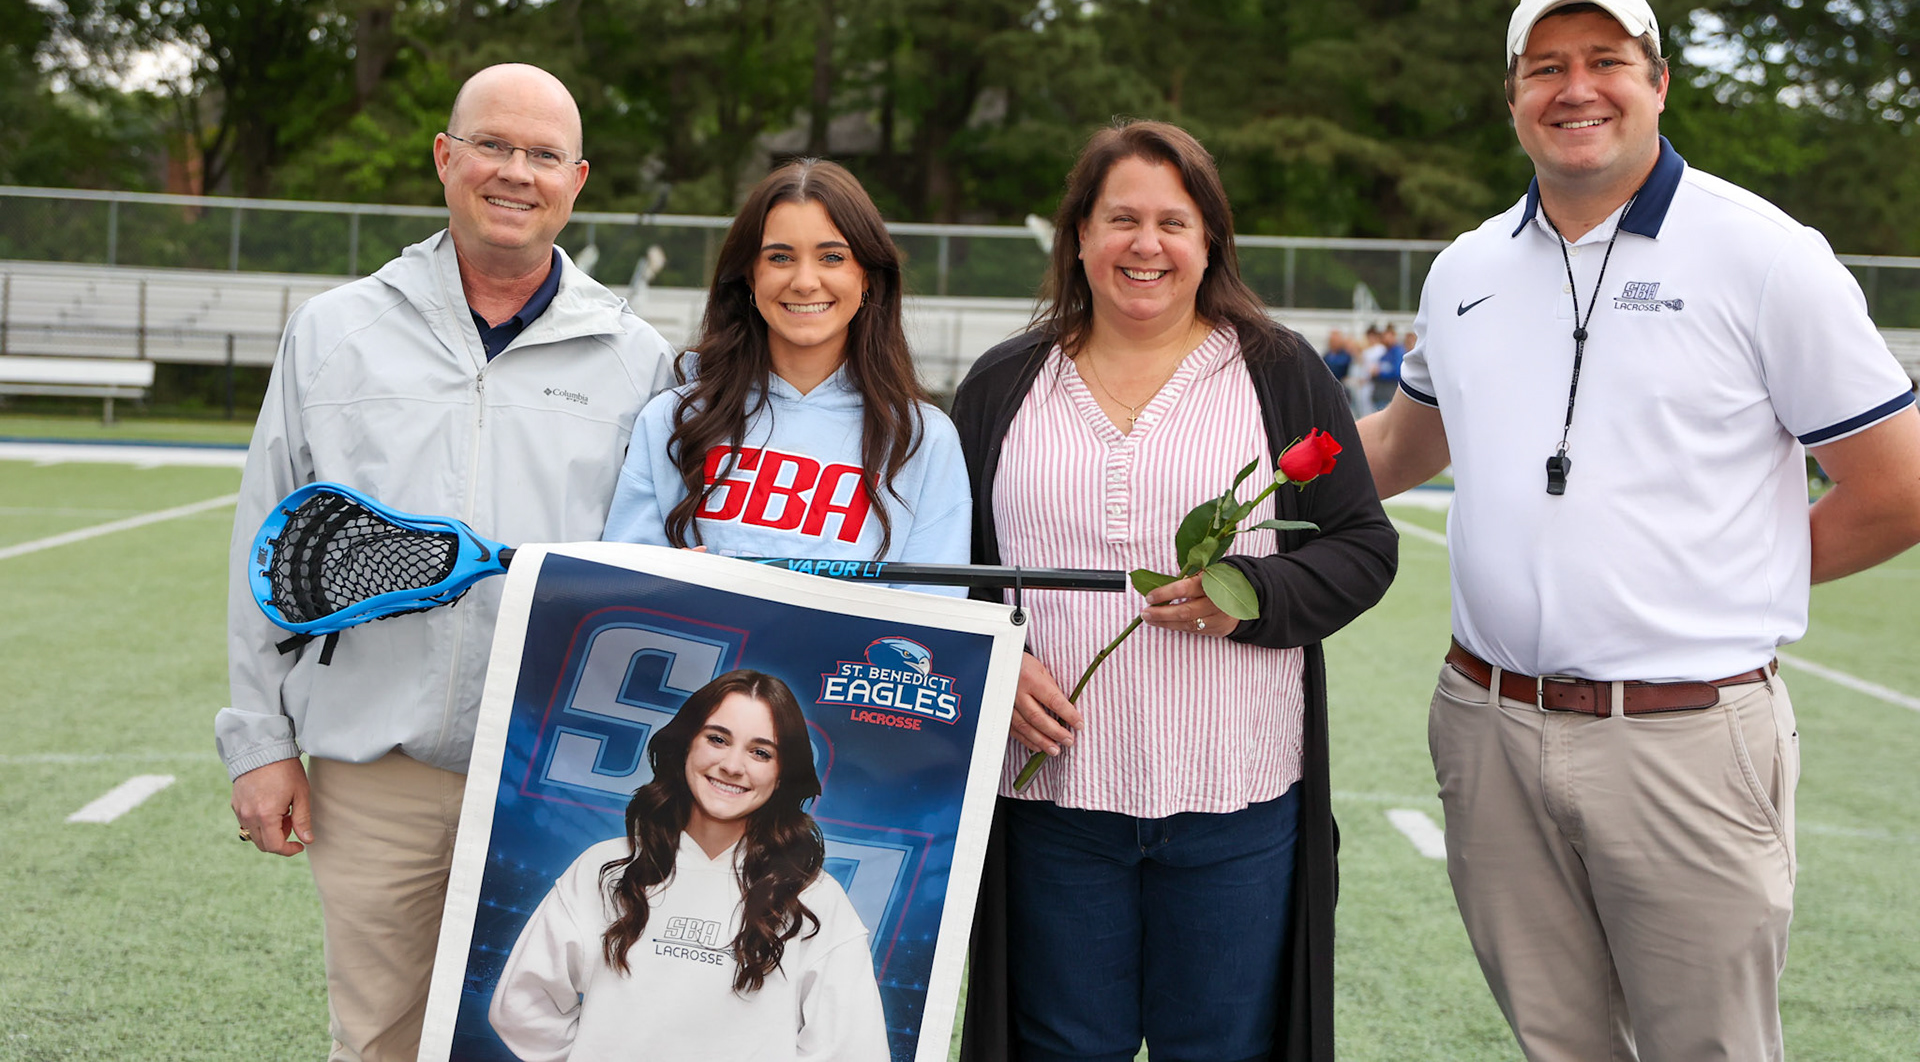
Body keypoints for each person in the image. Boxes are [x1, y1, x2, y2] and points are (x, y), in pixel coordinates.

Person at [1357, 0, 1920, 1061]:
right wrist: (1227, 465)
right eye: (1546, 67)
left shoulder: (1766, 255)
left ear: (1659, 81)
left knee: (1705, 1048)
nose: (1578, 88)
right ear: (1512, 95)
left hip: (1686, 735)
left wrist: (1731, 580)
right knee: (1556, 1042)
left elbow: (1898, 486)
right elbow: (1402, 442)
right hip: (1488, 720)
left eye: (1606, 60)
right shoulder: (1466, 266)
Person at [219, 63, 676, 1062]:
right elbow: (266, 537)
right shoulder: (336, 333)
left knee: (544, 1039)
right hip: (375, 764)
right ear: (446, 156)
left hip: (557, 775)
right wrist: (257, 739)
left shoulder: (641, 360)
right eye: (493, 145)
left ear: (578, 178)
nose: (516, 172)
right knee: (378, 1034)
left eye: (542, 154)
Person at [952, 120, 1398, 1062]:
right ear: (1078, 236)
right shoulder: (1002, 386)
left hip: (1235, 806)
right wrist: (996, 655)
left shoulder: (1278, 372)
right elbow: (953, 572)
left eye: (1173, 222)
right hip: (1052, 810)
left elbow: (1363, 546)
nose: (1145, 245)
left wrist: (1255, 595)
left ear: (1209, 241)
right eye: (1120, 219)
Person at [489, 670, 888, 1062]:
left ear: (782, 774)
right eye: (717, 739)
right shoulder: (607, 867)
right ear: (687, 746)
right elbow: (522, 1004)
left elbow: (852, 1046)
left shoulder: (814, 896)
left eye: (760, 752)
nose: (733, 765)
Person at [602, 159, 969, 575]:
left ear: (867, 276)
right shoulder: (676, 420)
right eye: (780, 257)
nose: (805, 281)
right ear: (748, 276)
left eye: (832, 257)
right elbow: (623, 591)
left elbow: (931, 617)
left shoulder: (922, 438)